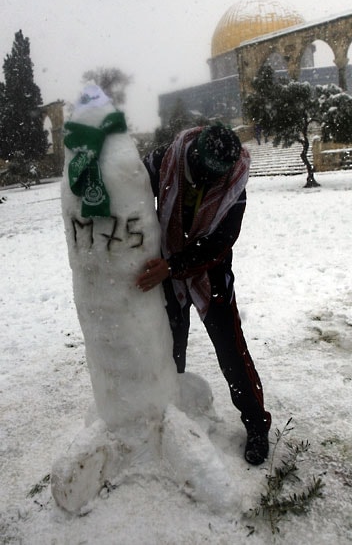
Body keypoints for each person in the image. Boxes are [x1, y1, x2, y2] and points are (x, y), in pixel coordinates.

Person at [136, 122, 271, 465]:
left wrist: (176, 266)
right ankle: (171, 416)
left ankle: (256, 424)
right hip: (165, 263)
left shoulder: (234, 183)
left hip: (209, 272)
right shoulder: (167, 158)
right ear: (194, 156)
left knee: (231, 351)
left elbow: (220, 243)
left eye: (215, 180)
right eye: (202, 175)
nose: (207, 184)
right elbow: (130, 183)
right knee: (169, 348)